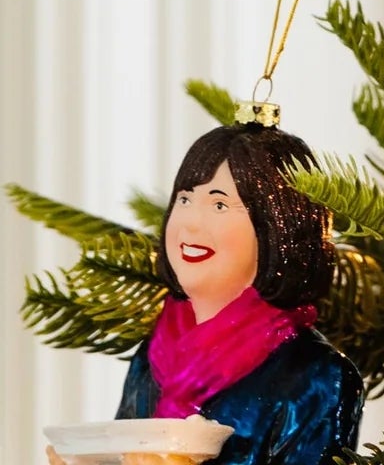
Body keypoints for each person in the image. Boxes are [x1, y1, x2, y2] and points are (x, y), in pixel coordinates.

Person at [52, 122, 364, 465]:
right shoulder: (153, 356)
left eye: (219, 205)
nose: (190, 224)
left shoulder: (318, 376)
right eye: (185, 199)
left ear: (278, 224)